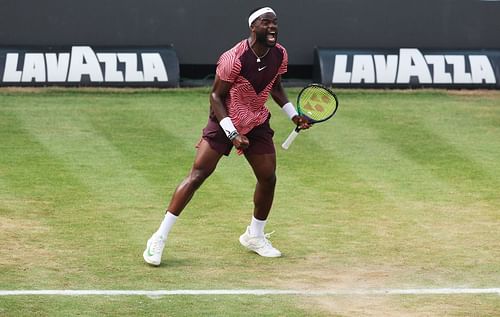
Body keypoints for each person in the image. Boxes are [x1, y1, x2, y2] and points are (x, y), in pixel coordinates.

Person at [143, 7, 310, 266]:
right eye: (266, 23)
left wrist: (292, 114)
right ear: (253, 28)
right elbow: (215, 97)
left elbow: (275, 86)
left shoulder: (280, 54)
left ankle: (254, 235)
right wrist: (232, 133)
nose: (273, 27)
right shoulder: (233, 58)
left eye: (275, 23)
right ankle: (158, 238)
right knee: (197, 175)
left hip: (256, 121)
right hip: (224, 121)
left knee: (268, 177)